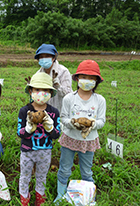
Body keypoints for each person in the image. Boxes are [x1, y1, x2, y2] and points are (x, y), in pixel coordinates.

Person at [54, 60, 106, 203]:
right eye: (84, 77)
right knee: (64, 168)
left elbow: (102, 121)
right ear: (77, 78)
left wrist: (91, 124)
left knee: (87, 171)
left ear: (96, 81)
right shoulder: (69, 98)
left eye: (91, 78)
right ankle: (60, 194)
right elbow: (63, 118)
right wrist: (72, 123)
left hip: (88, 140)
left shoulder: (100, 100)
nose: (87, 81)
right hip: (70, 137)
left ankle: (89, 196)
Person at [17, 72, 61, 206]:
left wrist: (50, 128)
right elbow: (20, 132)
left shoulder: (54, 112)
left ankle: (40, 198)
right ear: (30, 91)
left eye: (45, 90)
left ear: (50, 93)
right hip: (27, 151)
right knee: (25, 176)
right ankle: (24, 197)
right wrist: (28, 129)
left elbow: (56, 134)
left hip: (45, 151)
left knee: (41, 177)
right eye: (37, 90)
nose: (41, 93)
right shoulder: (25, 111)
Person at [26, 43, 73, 113]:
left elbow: (69, 94)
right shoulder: (38, 74)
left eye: (47, 56)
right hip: (44, 112)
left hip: (61, 110)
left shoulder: (63, 72)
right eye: (41, 57)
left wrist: (58, 86)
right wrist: (32, 90)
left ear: (54, 57)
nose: (44, 59)